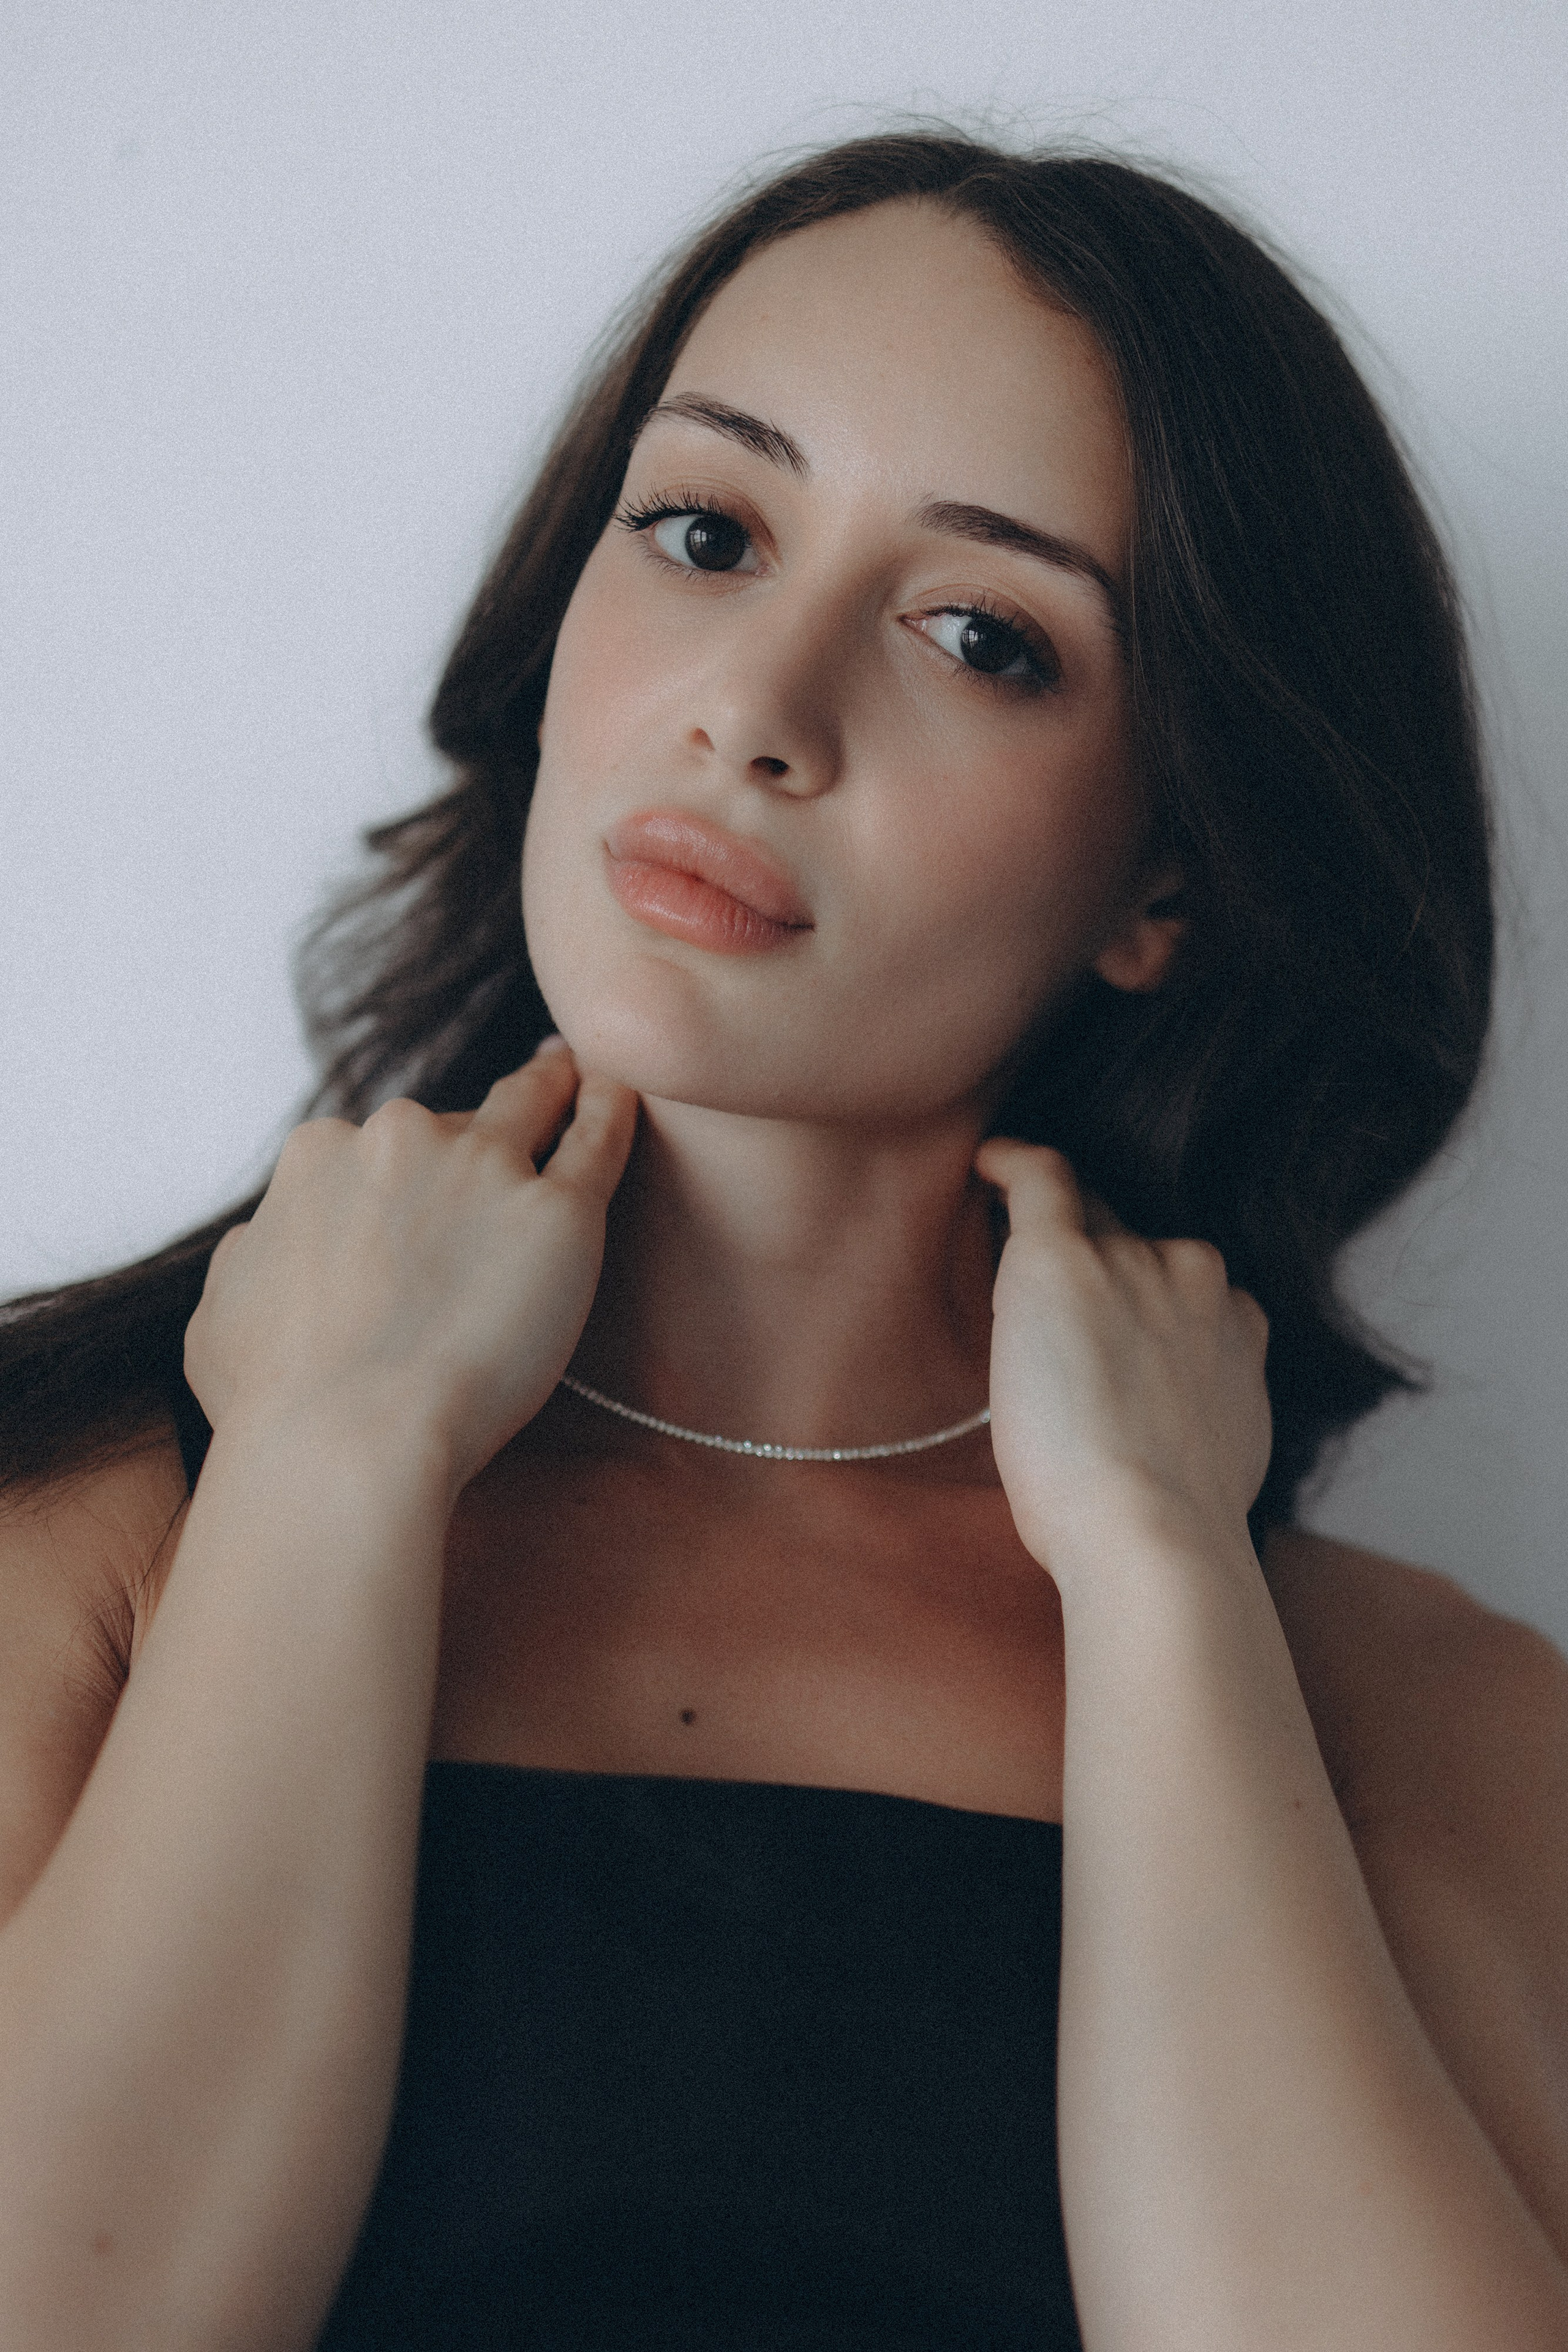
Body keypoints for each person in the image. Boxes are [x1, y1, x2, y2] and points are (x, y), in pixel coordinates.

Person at [1, 129, 1565, 2351]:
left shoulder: (1415, 1714)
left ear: (1173, 876)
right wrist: (329, 1463)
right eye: (708, 532)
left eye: (982, 636)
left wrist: (1161, 1580)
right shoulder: (83, 1533)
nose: (757, 706)